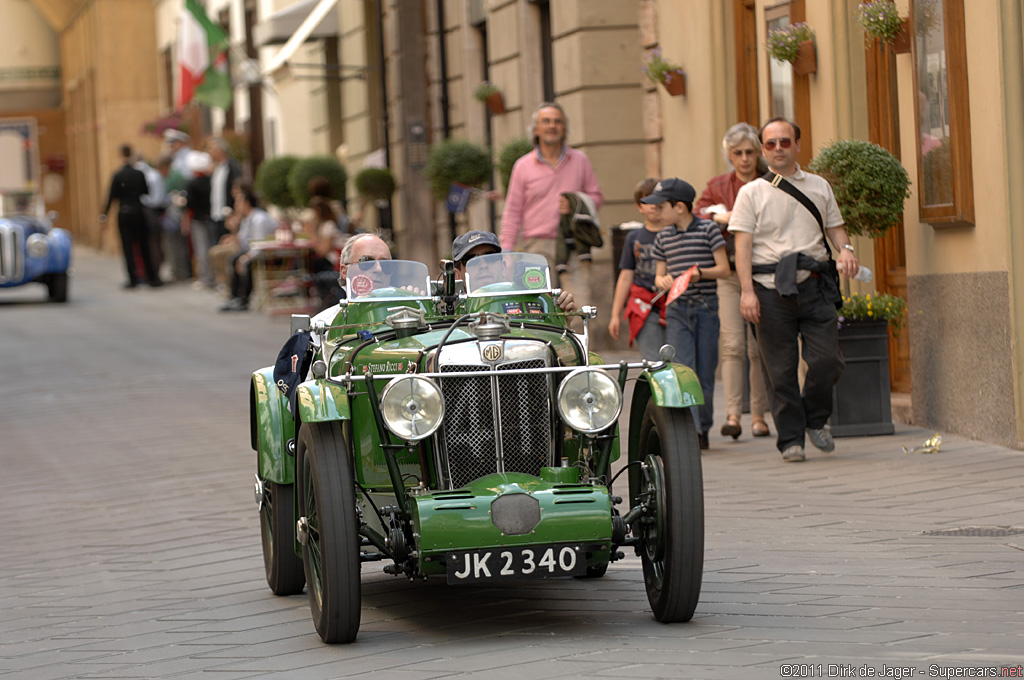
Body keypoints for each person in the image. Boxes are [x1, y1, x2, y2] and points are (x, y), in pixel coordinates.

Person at [729, 117, 859, 463]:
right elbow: (742, 247)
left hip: (815, 286)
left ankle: (815, 419)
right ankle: (790, 439)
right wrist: (746, 292)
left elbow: (837, 230)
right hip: (770, 290)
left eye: (784, 142)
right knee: (780, 370)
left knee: (827, 361)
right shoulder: (751, 193)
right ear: (762, 149)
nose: (778, 149)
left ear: (797, 145)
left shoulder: (819, 186)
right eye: (770, 144)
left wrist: (846, 250)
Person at [695, 123, 772, 440]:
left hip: (762, 270)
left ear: (758, 153)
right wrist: (718, 217)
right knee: (731, 345)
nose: (744, 159)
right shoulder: (718, 185)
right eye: (738, 153)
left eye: (750, 152)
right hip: (727, 272)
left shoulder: (768, 182)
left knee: (758, 348)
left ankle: (758, 416)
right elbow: (696, 213)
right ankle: (731, 415)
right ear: (729, 154)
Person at [648, 179, 730, 450]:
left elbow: (724, 269)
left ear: (680, 207)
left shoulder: (708, 230)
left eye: (661, 207)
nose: (655, 212)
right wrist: (662, 281)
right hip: (677, 310)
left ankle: (703, 426)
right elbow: (659, 276)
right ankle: (692, 431)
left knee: (705, 373)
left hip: (706, 308)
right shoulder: (662, 237)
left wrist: (699, 274)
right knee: (683, 370)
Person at [500, 102, 603, 287]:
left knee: (577, 308)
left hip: (575, 244)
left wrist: (576, 203)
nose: (552, 126)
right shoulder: (522, 166)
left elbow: (596, 197)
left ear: (564, 128)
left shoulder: (580, 160)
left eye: (557, 121)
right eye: (546, 121)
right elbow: (512, 212)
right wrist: (506, 252)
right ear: (536, 129)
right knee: (540, 308)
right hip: (538, 248)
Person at [608, 178, 667, 361]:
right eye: (646, 200)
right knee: (652, 362)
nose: (653, 205)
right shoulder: (634, 237)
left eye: (657, 199)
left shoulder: (673, 233)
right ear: (639, 206)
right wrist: (615, 315)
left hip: (672, 305)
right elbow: (625, 276)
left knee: (675, 360)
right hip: (644, 306)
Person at [451, 230, 576, 311]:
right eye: (471, 260)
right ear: (457, 275)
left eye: (489, 257)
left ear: (503, 267)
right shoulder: (448, 317)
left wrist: (564, 314)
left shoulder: (530, 302)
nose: (483, 265)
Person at [100, 144, 161, 288]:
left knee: (127, 247)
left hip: (124, 213)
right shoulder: (139, 174)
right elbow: (146, 192)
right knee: (144, 245)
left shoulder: (118, 175)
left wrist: (104, 216)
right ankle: (151, 277)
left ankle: (133, 278)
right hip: (138, 212)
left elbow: (111, 197)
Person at [219, 184, 280, 312]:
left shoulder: (259, 219)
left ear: (246, 203)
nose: (236, 205)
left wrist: (245, 258)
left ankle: (244, 299)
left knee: (244, 261)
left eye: (239, 201)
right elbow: (242, 242)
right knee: (234, 258)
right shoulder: (247, 219)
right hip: (254, 249)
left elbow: (259, 246)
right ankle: (234, 296)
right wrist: (234, 227)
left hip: (269, 253)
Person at [182, 152, 218, 290]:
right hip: (211, 217)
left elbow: (189, 203)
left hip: (198, 218)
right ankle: (213, 275)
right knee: (212, 245)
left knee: (202, 248)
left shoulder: (192, 183)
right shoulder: (211, 180)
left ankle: (205, 278)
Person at [206, 137, 242, 243]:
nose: (209, 153)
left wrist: (235, 212)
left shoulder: (232, 168)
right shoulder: (215, 168)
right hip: (216, 216)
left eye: (211, 149)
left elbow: (238, 191)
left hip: (228, 216)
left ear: (220, 151)